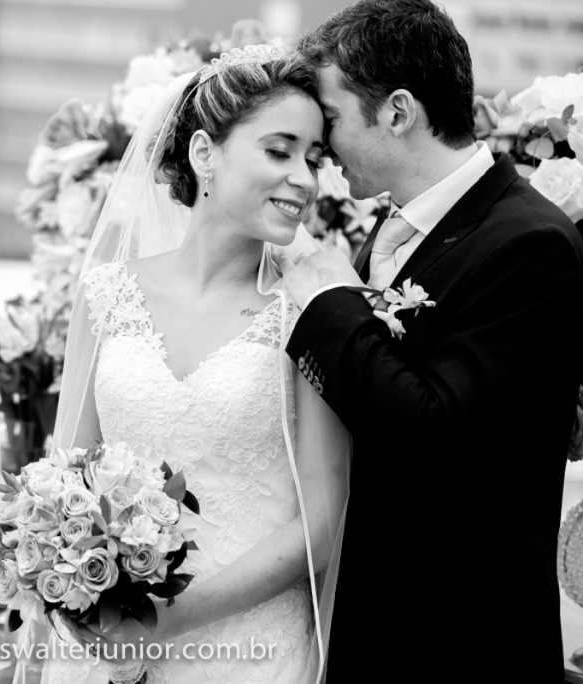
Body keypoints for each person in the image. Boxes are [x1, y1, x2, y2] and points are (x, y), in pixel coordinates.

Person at [279, 1, 583, 682]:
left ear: (397, 111)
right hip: (369, 630)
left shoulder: (529, 243)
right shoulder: (385, 229)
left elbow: (434, 430)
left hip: (464, 643)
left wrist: (330, 306)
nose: (320, 145)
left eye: (329, 118)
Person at [39, 44, 350, 684]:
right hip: (107, 648)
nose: (305, 178)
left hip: (252, 652)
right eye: (279, 150)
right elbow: (62, 482)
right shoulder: (104, 293)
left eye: (314, 159)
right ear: (204, 153)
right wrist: (77, 596)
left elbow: (324, 520)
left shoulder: (313, 309)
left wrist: (162, 621)